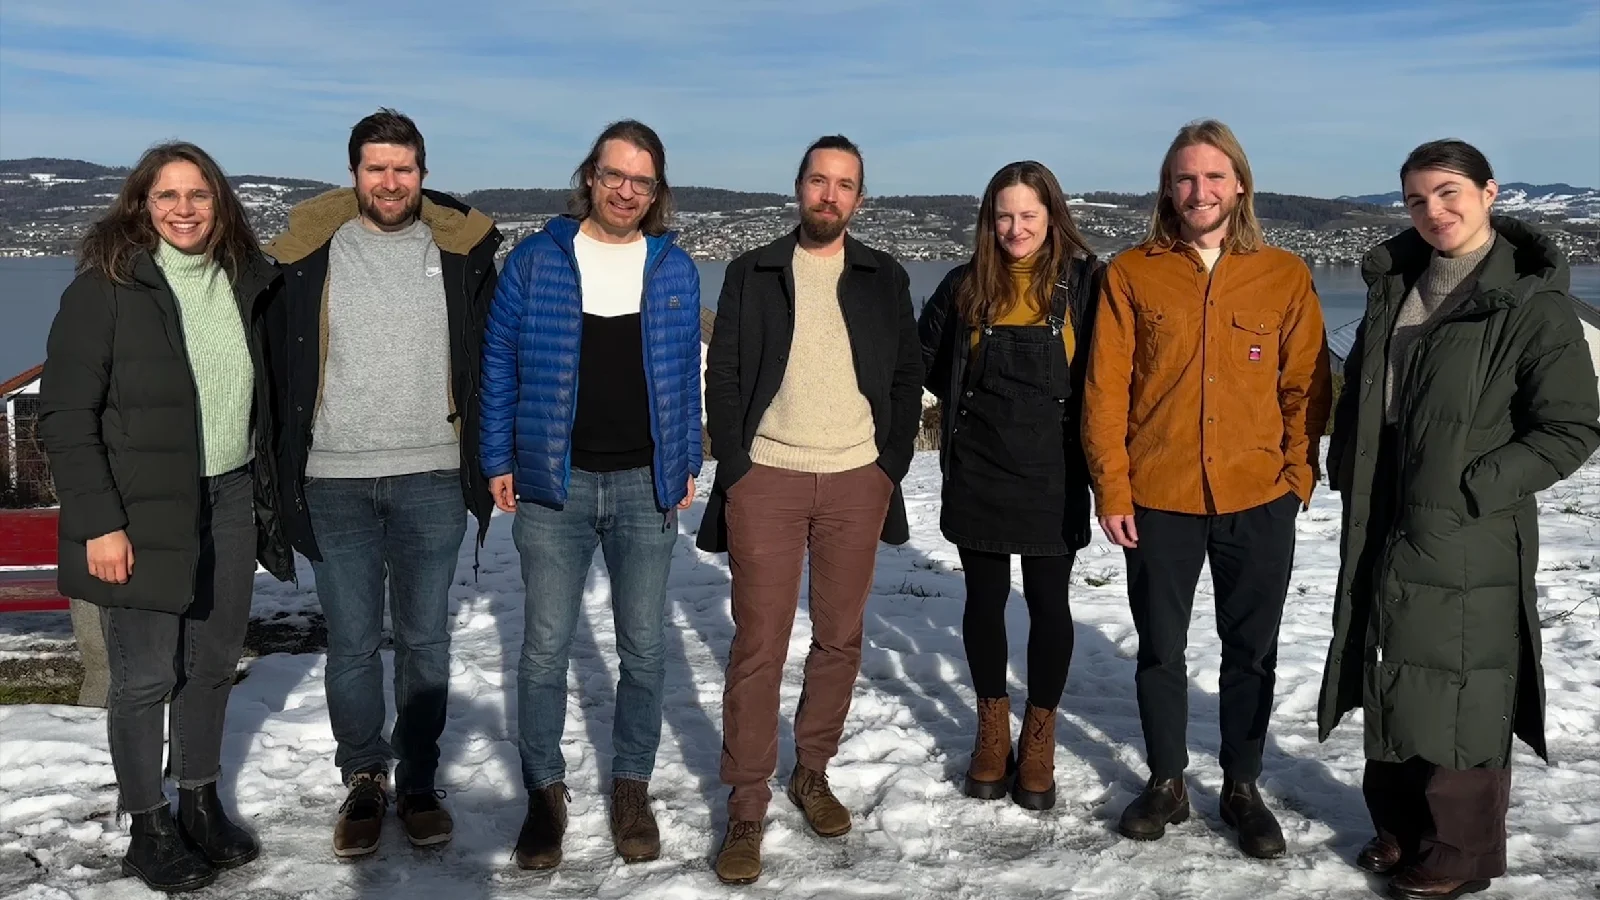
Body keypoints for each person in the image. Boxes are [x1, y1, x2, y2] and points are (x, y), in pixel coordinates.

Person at [1318, 139, 1600, 900]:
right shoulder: (1396, 286)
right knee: (1393, 664)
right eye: (1417, 199)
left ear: (1489, 193)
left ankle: (1462, 851)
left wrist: (1478, 485)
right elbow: (1370, 393)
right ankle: (1400, 825)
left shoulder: (1529, 302)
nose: (1433, 211)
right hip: (1384, 509)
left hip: (1469, 524)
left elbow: (1571, 426)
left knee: (1463, 681)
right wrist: (1349, 464)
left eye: (1448, 192)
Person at [38, 141, 293, 892]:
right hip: (139, 511)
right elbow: (64, 417)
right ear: (141, 206)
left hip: (230, 498)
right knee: (145, 676)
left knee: (211, 666)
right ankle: (147, 827)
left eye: (199, 194)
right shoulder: (106, 289)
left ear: (221, 204)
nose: (184, 209)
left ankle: (199, 803)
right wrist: (100, 524)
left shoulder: (245, 281)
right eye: (167, 196)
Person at [1081, 119, 1332, 859]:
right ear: (1167, 189)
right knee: (1160, 649)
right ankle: (1166, 781)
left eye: (1214, 176)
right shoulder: (1132, 273)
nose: (1200, 190)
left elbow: (1306, 386)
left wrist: (1297, 477)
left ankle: (1242, 787)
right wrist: (1113, 490)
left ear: (1240, 185)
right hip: (1159, 495)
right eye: (1186, 178)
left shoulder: (1283, 275)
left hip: (1258, 495)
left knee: (1250, 651)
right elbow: (1105, 392)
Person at [263, 109, 503, 857]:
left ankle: (420, 779)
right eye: (376, 168)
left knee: (426, 640)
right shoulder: (309, 255)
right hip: (333, 478)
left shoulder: (461, 252)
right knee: (354, 644)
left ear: (423, 173)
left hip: (434, 474)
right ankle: (365, 776)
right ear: (354, 174)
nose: (390, 182)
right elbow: (269, 361)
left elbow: (496, 356)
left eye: (403, 168)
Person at [697, 135, 923, 885]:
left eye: (845, 184)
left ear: (860, 198)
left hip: (857, 479)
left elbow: (906, 375)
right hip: (768, 478)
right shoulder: (753, 270)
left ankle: (812, 771)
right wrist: (737, 469)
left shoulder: (884, 277)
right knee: (758, 646)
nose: (830, 195)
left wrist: (888, 466)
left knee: (839, 640)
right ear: (799, 187)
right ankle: (747, 805)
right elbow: (726, 374)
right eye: (819, 181)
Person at [479, 119, 702, 870]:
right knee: (544, 649)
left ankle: (631, 786)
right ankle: (544, 794)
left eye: (642, 180)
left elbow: (682, 375)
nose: (626, 191)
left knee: (644, 648)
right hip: (555, 483)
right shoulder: (537, 260)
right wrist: (497, 457)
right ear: (590, 177)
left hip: (646, 485)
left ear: (656, 190)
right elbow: (499, 362)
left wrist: (685, 457)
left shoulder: (672, 268)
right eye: (615, 175)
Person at [917, 161, 1104, 810]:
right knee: (984, 600)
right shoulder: (964, 285)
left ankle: (1040, 740)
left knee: (1050, 605)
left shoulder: (1087, 284)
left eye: (1028, 215)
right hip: (980, 468)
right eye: (1004, 216)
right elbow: (929, 363)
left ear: (1053, 216)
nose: (1016, 228)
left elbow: (1108, 374)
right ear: (987, 220)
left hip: (1055, 471)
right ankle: (992, 733)